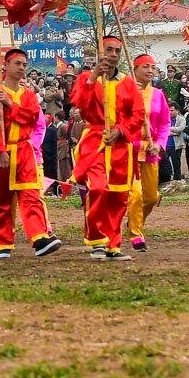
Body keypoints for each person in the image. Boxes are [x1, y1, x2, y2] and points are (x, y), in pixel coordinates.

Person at [0, 48, 62, 258]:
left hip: (25, 150)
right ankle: (2, 242)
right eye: (17, 64)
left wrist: (11, 104)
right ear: (5, 66)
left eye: (25, 65)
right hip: (4, 149)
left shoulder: (28, 95)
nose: (22, 68)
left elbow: (33, 118)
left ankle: (39, 237)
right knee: (1, 198)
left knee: (31, 194)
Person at [70, 35, 144, 261]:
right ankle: (97, 240)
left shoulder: (128, 83)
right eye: (108, 50)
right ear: (100, 53)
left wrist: (121, 130)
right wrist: (93, 77)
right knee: (98, 188)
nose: (113, 55)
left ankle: (114, 244)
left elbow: (138, 114)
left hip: (121, 146)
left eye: (116, 51)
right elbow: (79, 104)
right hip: (95, 141)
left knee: (119, 196)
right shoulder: (86, 78)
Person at [125, 53, 171, 252]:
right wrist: (128, 97)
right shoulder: (124, 91)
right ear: (134, 70)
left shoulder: (158, 94)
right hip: (130, 150)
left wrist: (160, 144)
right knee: (135, 195)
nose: (150, 71)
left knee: (151, 197)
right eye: (145, 67)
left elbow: (165, 123)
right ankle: (136, 234)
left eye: (153, 67)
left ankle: (135, 221)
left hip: (151, 150)